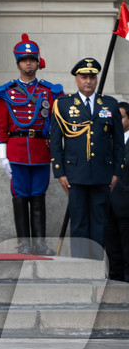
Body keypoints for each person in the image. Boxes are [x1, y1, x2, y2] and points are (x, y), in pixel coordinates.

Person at [49, 57, 125, 260]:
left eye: (92, 77)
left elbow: (118, 143)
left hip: (102, 175)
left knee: (100, 223)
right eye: (84, 77)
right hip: (75, 175)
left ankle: (97, 267)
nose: (88, 81)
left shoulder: (109, 104)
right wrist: (60, 173)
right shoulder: (63, 105)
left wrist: (117, 172)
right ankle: (81, 268)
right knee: (79, 223)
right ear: (76, 80)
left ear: (97, 79)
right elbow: (56, 142)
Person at [0, 35, 62, 255]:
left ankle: (40, 244)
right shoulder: (7, 92)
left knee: (38, 195)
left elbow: (57, 124)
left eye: (32, 59)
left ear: (38, 62)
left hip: (41, 150)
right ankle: (24, 243)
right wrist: (3, 155)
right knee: (20, 195)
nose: (28, 63)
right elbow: (2, 126)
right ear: (18, 63)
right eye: (24, 60)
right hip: (16, 150)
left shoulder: (49, 92)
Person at [105, 101, 129, 280]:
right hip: (108, 203)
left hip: (126, 204)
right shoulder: (107, 141)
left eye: (120, 117)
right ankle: (115, 277)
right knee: (112, 245)